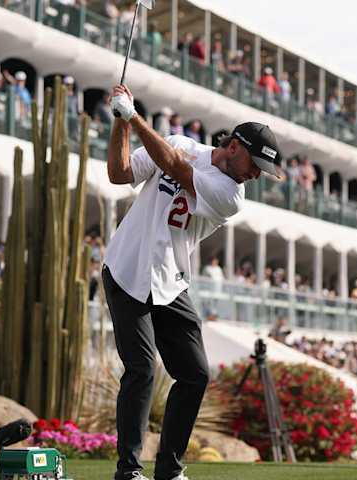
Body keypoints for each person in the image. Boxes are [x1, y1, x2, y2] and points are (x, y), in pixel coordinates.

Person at [105, 84, 282, 480]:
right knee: (141, 369)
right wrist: (121, 122)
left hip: (170, 280)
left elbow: (175, 168)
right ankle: (129, 472)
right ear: (234, 146)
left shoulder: (230, 194)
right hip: (126, 269)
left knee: (195, 374)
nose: (256, 175)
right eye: (255, 164)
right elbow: (119, 174)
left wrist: (134, 116)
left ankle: (169, 469)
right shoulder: (178, 142)